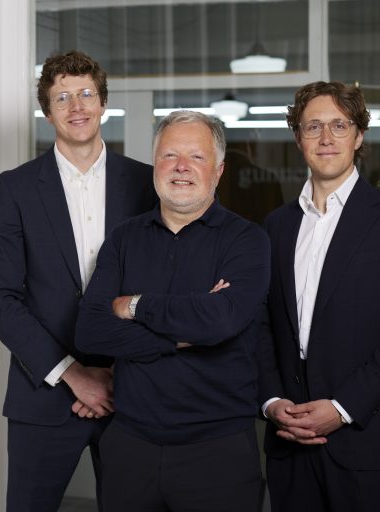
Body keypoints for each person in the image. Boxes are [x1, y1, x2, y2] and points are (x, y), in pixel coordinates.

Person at [0, 50, 156, 512]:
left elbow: (161, 285)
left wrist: (117, 373)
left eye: (86, 94)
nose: (76, 106)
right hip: (44, 392)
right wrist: (74, 375)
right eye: (62, 97)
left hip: (131, 390)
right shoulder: (15, 189)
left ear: (103, 104)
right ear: (47, 111)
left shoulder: (146, 183)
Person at [75, 110, 270, 511]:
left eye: (196, 157)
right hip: (130, 446)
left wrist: (134, 305)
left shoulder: (247, 241)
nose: (181, 167)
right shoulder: (124, 238)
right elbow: (90, 330)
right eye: (169, 155)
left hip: (218, 451)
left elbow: (220, 321)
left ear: (218, 170)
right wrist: (182, 335)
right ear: (155, 165)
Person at [258, 81, 380, 511]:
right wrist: (272, 401)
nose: (326, 137)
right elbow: (262, 326)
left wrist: (342, 408)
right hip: (289, 445)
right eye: (313, 126)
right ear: (298, 138)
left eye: (340, 125)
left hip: (365, 446)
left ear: (359, 136)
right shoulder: (276, 226)